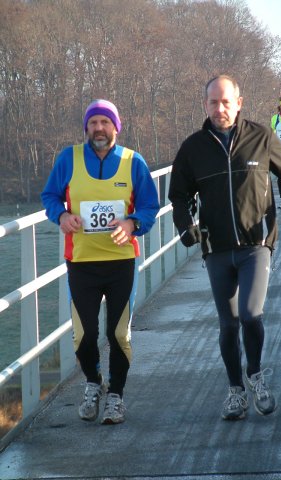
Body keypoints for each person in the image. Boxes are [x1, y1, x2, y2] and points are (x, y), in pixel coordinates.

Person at [168, 75, 281, 421]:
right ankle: (235, 391)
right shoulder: (193, 148)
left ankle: (256, 373)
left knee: (249, 314)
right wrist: (186, 226)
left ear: (239, 103)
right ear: (205, 105)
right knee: (228, 324)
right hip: (216, 249)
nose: (220, 108)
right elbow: (179, 195)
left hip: (256, 244)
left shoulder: (260, 137)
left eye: (226, 101)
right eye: (213, 102)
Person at [41, 99, 160, 424]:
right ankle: (94, 384)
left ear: (115, 127)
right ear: (86, 128)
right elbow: (49, 196)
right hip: (81, 262)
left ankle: (116, 396)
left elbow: (151, 205)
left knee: (119, 334)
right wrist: (61, 214)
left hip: (122, 262)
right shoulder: (69, 158)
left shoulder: (134, 162)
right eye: (93, 123)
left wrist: (132, 223)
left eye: (105, 122)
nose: (98, 128)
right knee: (83, 336)